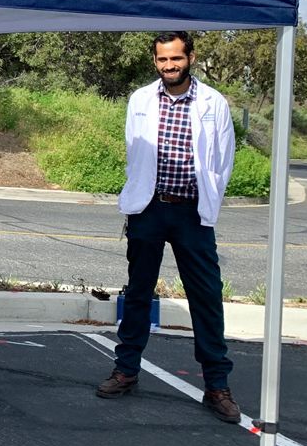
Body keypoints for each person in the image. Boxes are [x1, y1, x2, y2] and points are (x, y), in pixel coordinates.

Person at [96, 31, 239, 423]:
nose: (169, 66)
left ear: (190, 57)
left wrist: (208, 200)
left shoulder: (214, 102)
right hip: (149, 209)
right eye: (162, 60)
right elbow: (134, 151)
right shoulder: (140, 99)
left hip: (192, 213)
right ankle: (126, 371)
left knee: (206, 298)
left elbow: (222, 160)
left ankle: (216, 386)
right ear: (155, 61)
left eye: (176, 58)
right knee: (139, 293)